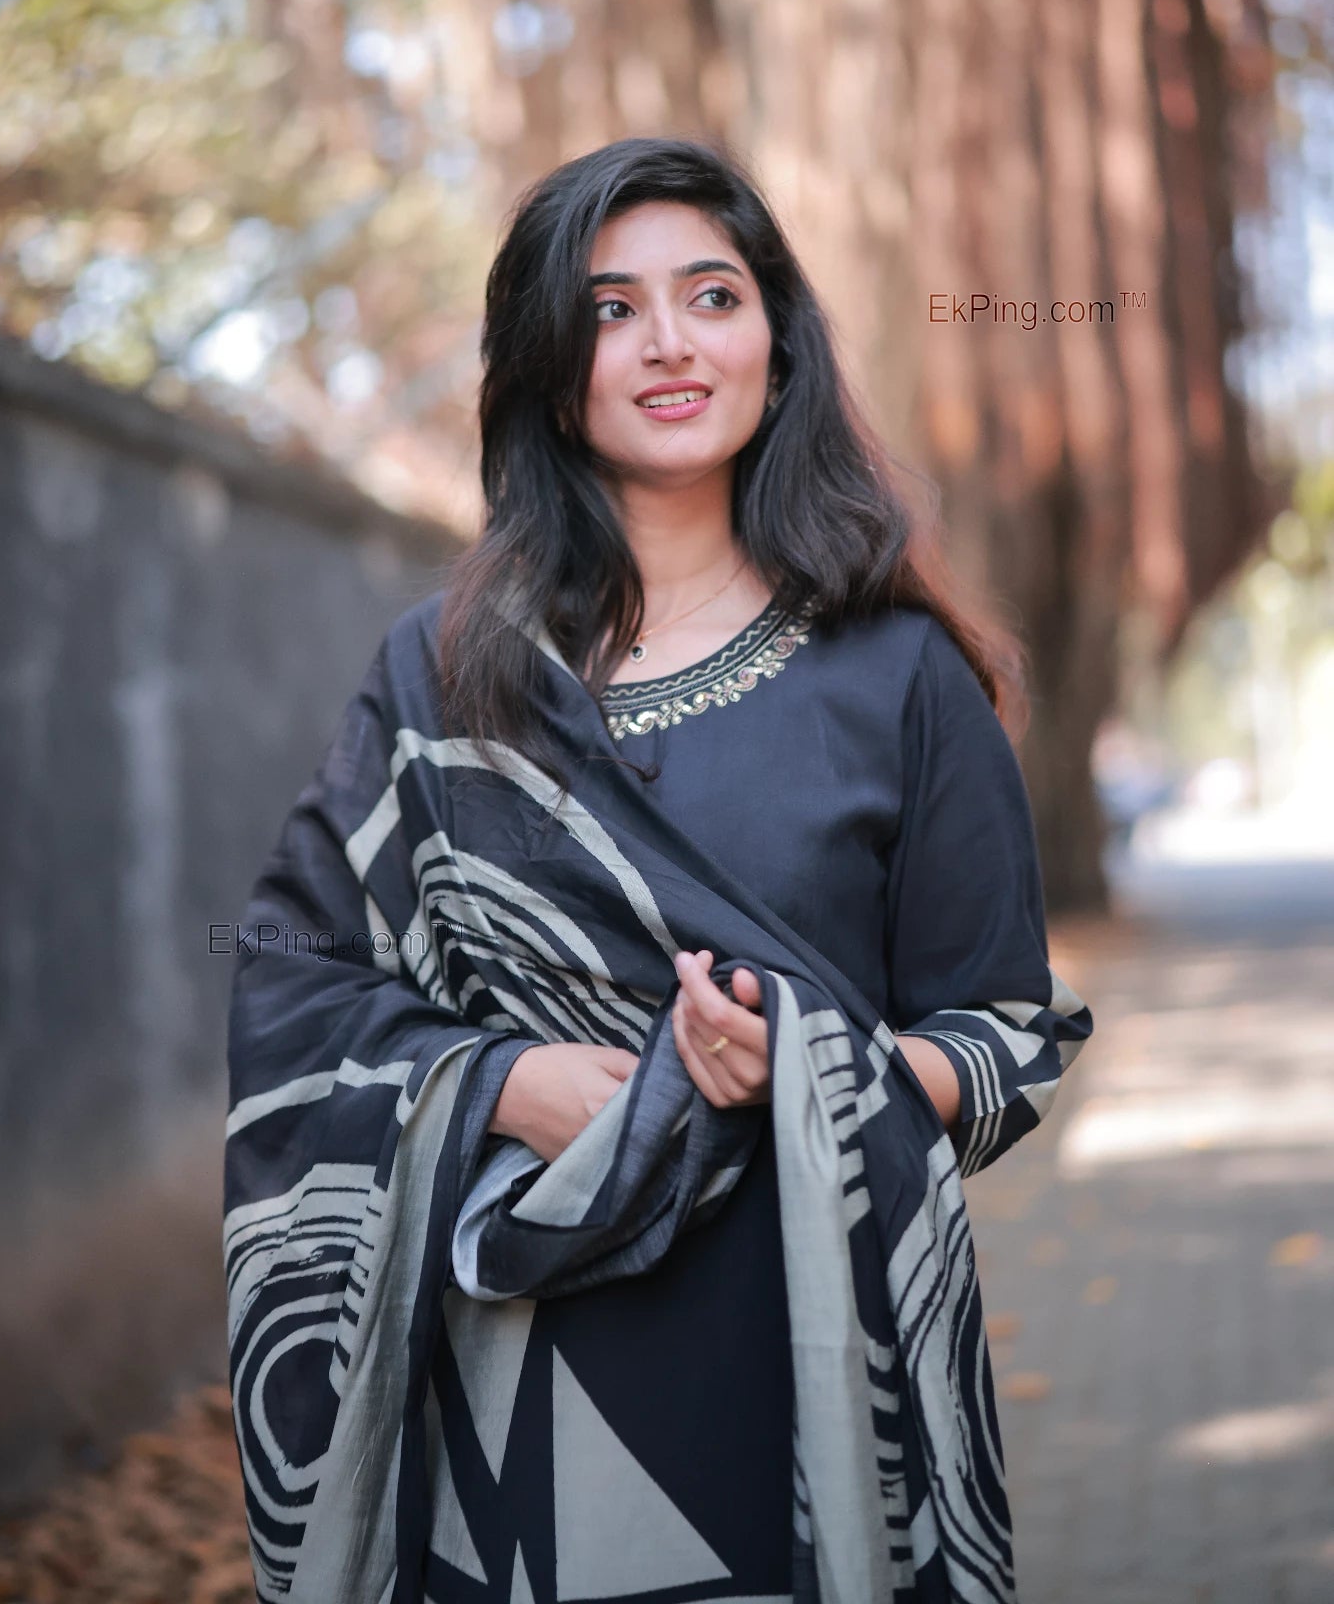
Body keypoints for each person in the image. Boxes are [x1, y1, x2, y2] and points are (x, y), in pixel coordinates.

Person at [223, 137, 1093, 1604]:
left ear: (776, 339)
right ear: (551, 366)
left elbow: (1002, 1040)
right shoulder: (441, 680)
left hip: (813, 1352)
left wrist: (806, 1068)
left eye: (712, 294)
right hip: (515, 1368)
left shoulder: (899, 677)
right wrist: (508, 1086)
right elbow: (294, 982)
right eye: (612, 308)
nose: (670, 342)